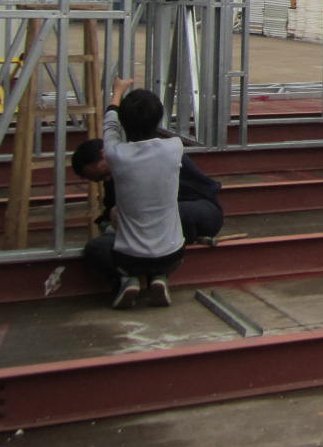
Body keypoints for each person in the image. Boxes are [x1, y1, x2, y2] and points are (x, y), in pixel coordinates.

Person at [80, 77, 187, 309]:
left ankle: (127, 280)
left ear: (124, 123)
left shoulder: (116, 155)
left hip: (129, 259)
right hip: (172, 255)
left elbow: (110, 125)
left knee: (97, 245)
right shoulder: (175, 148)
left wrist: (117, 91)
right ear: (159, 119)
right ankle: (160, 277)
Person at [72, 135, 224, 246]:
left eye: (104, 174)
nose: (106, 179)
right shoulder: (113, 178)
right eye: (100, 179)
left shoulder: (154, 155)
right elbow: (110, 213)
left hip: (197, 210)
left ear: (105, 153)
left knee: (176, 214)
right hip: (157, 228)